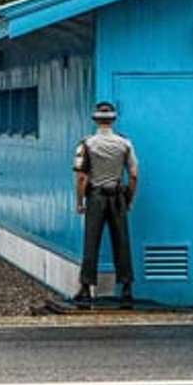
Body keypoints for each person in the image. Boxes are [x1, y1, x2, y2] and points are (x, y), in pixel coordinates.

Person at [73, 101, 138, 308]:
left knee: (91, 241)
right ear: (113, 120)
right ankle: (126, 288)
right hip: (117, 196)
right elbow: (134, 175)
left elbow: (82, 177)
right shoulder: (125, 144)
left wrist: (80, 201)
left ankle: (85, 287)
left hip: (96, 197)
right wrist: (128, 199)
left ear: (95, 120)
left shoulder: (87, 144)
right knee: (122, 241)